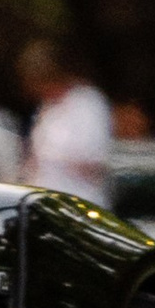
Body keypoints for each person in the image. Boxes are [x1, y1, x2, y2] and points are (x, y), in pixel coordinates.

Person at [19, 39, 114, 203]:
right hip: (46, 203)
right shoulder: (48, 108)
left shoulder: (87, 103)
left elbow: (94, 162)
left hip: (80, 204)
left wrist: (55, 162)